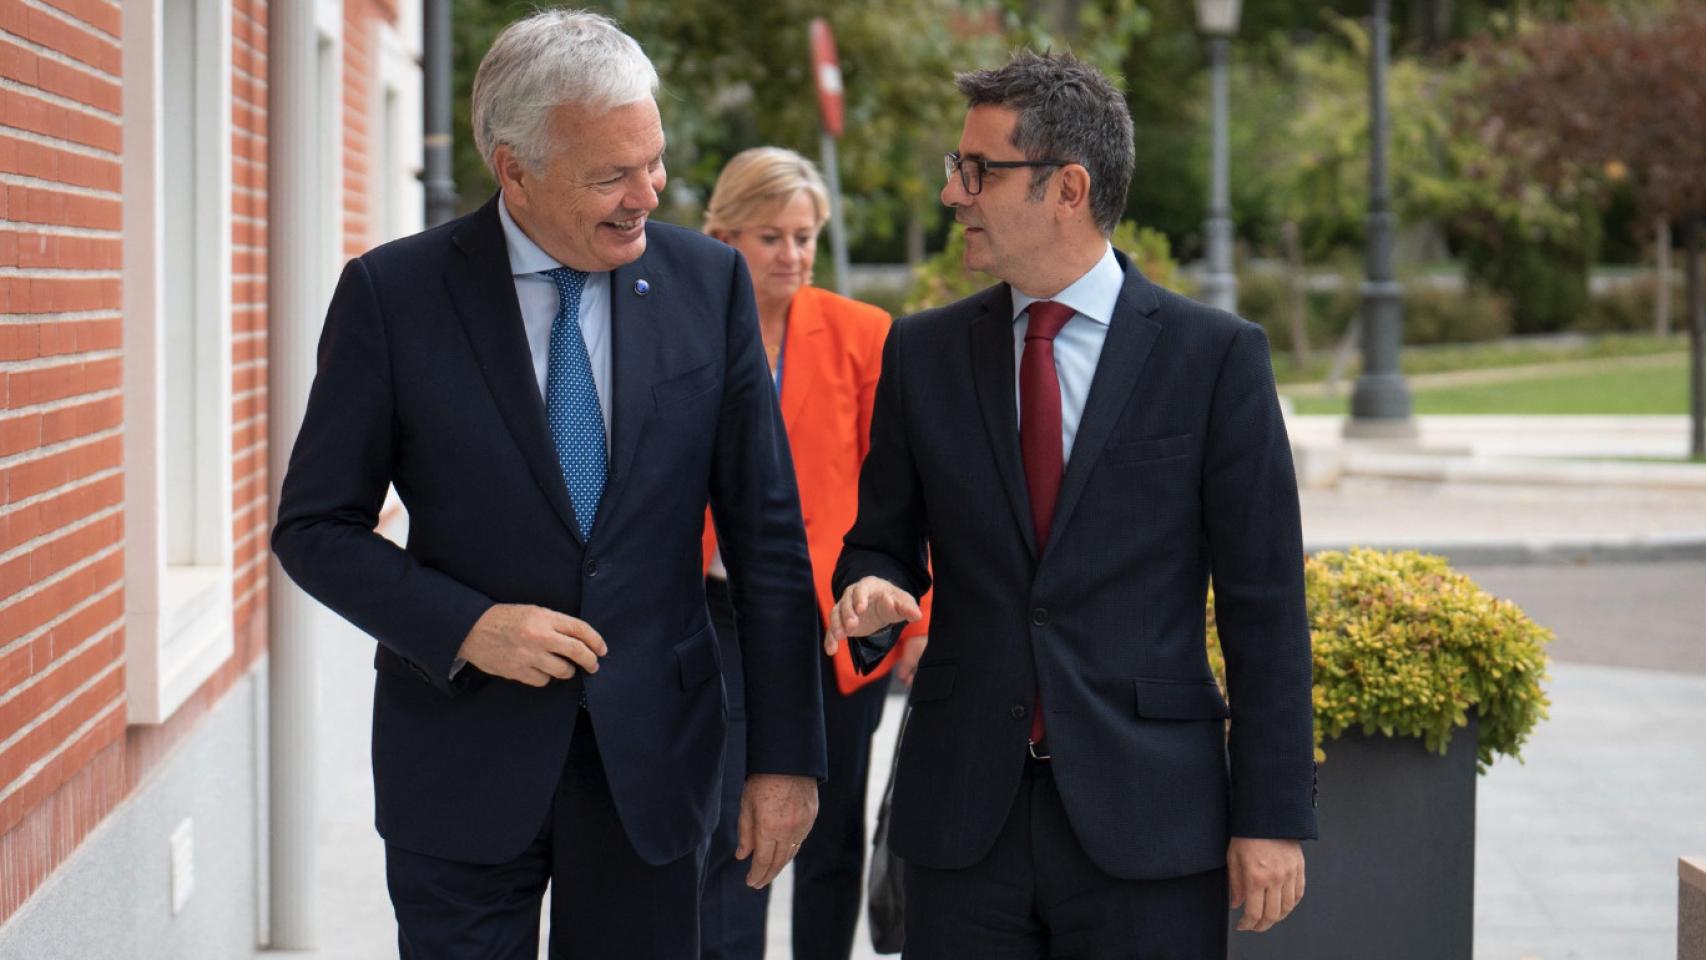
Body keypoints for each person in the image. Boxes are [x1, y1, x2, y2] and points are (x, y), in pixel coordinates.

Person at [271, 11, 826, 958]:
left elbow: (767, 538)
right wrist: (470, 627)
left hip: (654, 759)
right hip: (458, 760)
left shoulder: (710, 285)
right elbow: (315, 527)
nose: (644, 194)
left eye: (651, 161)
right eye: (610, 174)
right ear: (512, 167)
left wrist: (785, 762)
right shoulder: (392, 297)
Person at [823, 51, 1318, 959]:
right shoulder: (923, 356)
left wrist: (1273, 816)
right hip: (964, 822)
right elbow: (881, 543)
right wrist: (869, 593)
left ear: (1069, 188)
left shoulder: (1214, 360)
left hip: (1153, 822)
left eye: (979, 171)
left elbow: (1266, 607)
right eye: (955, 167)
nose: (953, 194)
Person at [694, 148, 931, 960]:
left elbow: (905, 492)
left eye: (804, 237)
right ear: (723, 237)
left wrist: (918, 620)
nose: (792, 255)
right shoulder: (685, 328)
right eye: (771, 237)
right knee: (728, 824)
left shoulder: (865, 335)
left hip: (835, 620)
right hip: (713, 612)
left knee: (829, 834)